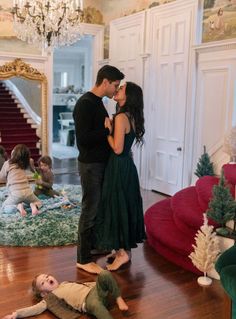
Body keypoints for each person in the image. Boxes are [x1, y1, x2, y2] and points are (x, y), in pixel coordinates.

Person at [73, 65, 124, 274]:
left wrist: (107, 128)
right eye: (115, 85)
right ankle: (83, 259)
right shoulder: (85, 104)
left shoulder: (98, 102)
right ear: (105, 82)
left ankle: (93, 247)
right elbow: (83, 140)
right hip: (90, 165)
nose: (115, 89)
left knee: (96, 209)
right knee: (89, 210)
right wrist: (106, 130)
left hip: (98, 164)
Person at [95, 82, 146, 271]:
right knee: (123, 204)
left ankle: (123, 253)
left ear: (129, 95)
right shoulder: (131, 116)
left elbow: (117, 148)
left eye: (122, 88)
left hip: (118, 166)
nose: (117, 90)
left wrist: (107, 131)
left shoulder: (122, 117)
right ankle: (122, 250)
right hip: (126, 167)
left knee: (116, 206)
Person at [2, 270, 128, 319]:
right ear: (44, 293)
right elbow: (35, 309)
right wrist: (16, 314)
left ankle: (118, 298)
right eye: (43, 282)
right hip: (88, 302)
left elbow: (86, 284)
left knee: (104, 274)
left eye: (47, 276)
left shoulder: (65, 283)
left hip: (95, 292)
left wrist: (103, 284)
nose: (47, 279)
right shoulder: (51, 297)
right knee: (96, 305)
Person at [0, 144, 41, 216]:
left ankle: (18, 206)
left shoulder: (7, 163)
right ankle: (33, 206)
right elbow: (34, 172)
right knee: (39, 202)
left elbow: (1, 177)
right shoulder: (23, 164)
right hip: (28, 192)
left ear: (14, 153)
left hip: (16, 194)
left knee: (4, 207)